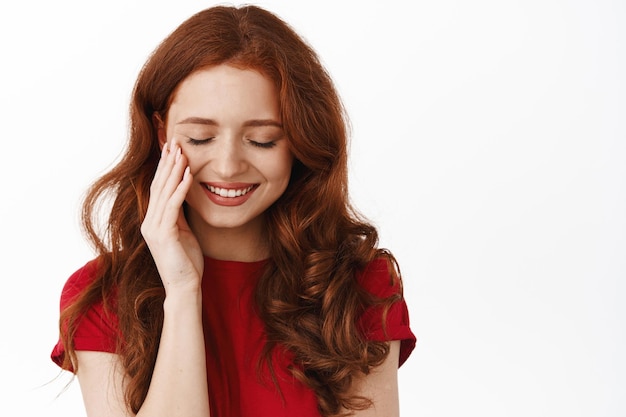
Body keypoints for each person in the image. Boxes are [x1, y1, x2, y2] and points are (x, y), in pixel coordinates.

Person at [51, 5, 416, 417]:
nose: (227, 166)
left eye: (262, 141)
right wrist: (183, 291)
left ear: (300, 142)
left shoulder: (357, 286)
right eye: (201, 137)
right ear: (161, 134)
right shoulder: (100, 297)